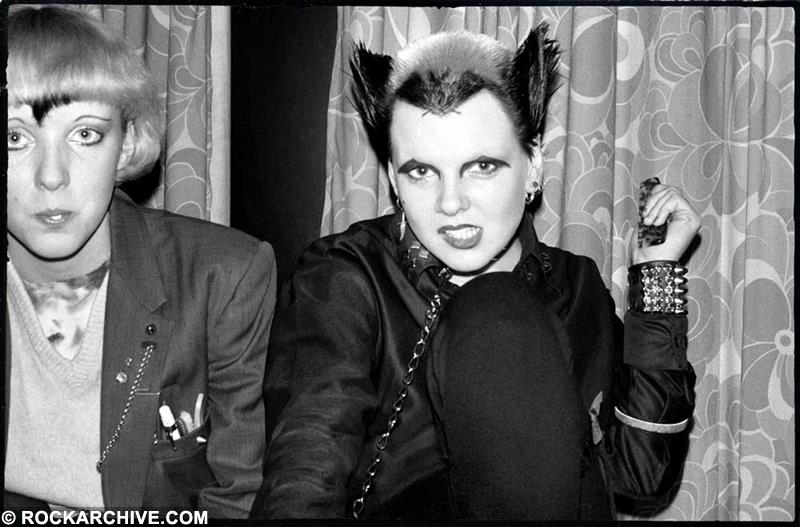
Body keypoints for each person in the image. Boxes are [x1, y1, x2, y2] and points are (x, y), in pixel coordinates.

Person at [252, 25, 700, 519]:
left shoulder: (574, 287)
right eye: (421, 171)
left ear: (533, 168)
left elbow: (643, 478)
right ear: (392, 181)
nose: (450, 203)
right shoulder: (349, 277)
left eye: (481, 166)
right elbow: (306, 462)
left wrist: (657, 277)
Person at [4, 7, 277, 517]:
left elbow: (238, 495)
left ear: (126, 142)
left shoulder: (224, 277)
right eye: (14, 137)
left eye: (84, 133)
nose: (51, 176)